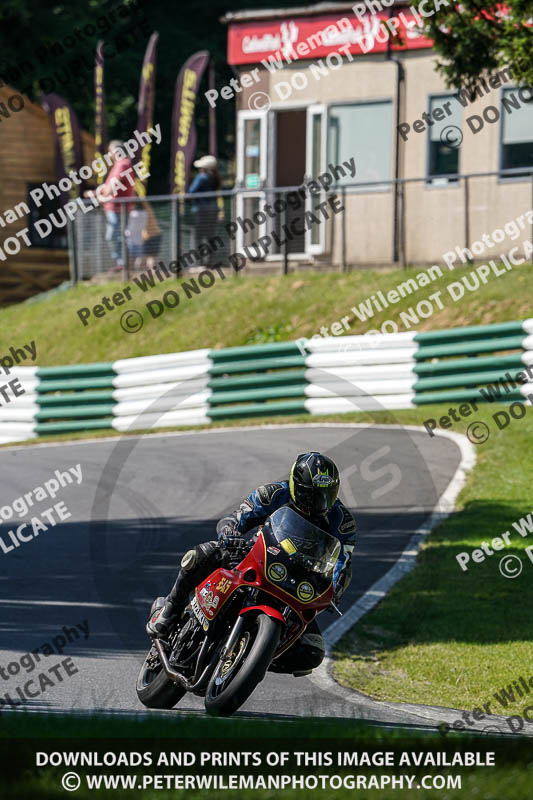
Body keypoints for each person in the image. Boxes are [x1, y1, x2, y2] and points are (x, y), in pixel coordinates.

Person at [147, 452, 356, 675]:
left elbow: (342, 562)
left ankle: (254, 657)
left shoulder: (343, 522)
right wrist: (230, 532)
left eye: (326, 495)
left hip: (298, 581)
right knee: (203, 554)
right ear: (296, 485)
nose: (318, 503)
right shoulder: (273, 493)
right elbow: (237, 517)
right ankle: (170, 609)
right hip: (257, 557)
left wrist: (334, 589)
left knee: (312, 650)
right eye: (310, 495)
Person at [95, 140, 135, 271]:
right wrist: (99, 193)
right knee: (116, 236)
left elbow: (112, 186)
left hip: (119, 209)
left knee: (115, 236)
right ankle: (122, 264)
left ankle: (124, 264)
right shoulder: (120, 164)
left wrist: (103, 195)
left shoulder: (123, 164)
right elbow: (110, 187)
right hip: (116, 208)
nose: (109, 155)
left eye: (110, 152)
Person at [188, 154, 221, 267]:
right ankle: (210, 262)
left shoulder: (202, 177)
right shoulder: (215, 177)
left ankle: (200, 262)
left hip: (202, 211)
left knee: (198, 237)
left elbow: (191, 191)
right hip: (213, 210)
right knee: (210, 236)